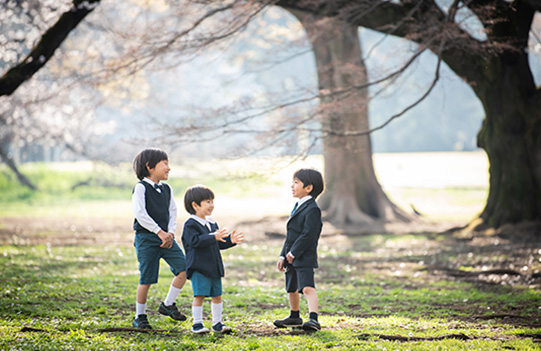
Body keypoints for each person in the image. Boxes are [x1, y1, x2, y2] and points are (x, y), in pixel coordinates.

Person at [131, 148, 188, 329]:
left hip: (167, 238)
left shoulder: (167, 189)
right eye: (164, 164)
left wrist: (170, 233)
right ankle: (139, 316)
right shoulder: (141, 187)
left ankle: (168, 304)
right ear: (149, 167)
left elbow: (172, 212)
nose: (169, 168)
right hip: (147, 239)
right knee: (147, 279)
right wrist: (158, 232)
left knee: (184, 269)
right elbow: (141, 214)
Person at [181, 185, 244, 334]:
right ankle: (197, 323)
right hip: (199, 267)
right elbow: (195, 242)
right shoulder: (191, 224)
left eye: (212, 201)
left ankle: (217, 323)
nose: (211, 205)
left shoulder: (212, 223)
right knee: (200, 295)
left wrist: (230, 240)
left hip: (213, 266)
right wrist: (212, 236)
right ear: (195, 205)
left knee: (217, 295)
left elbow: (217, 244)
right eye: (207, 202)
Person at [274, 168, 325, 331]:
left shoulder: (312, 209)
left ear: (308, 188)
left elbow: (308, 234)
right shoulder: (297, 206)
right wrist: (283, 255)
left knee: (307, 287)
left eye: (296, 183)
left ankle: (313, 318)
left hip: (303, 256)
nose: (292, 186)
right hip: (290, 256)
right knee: (292, 287)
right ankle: (294, 316)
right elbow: (291, 236)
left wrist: (294, 252)